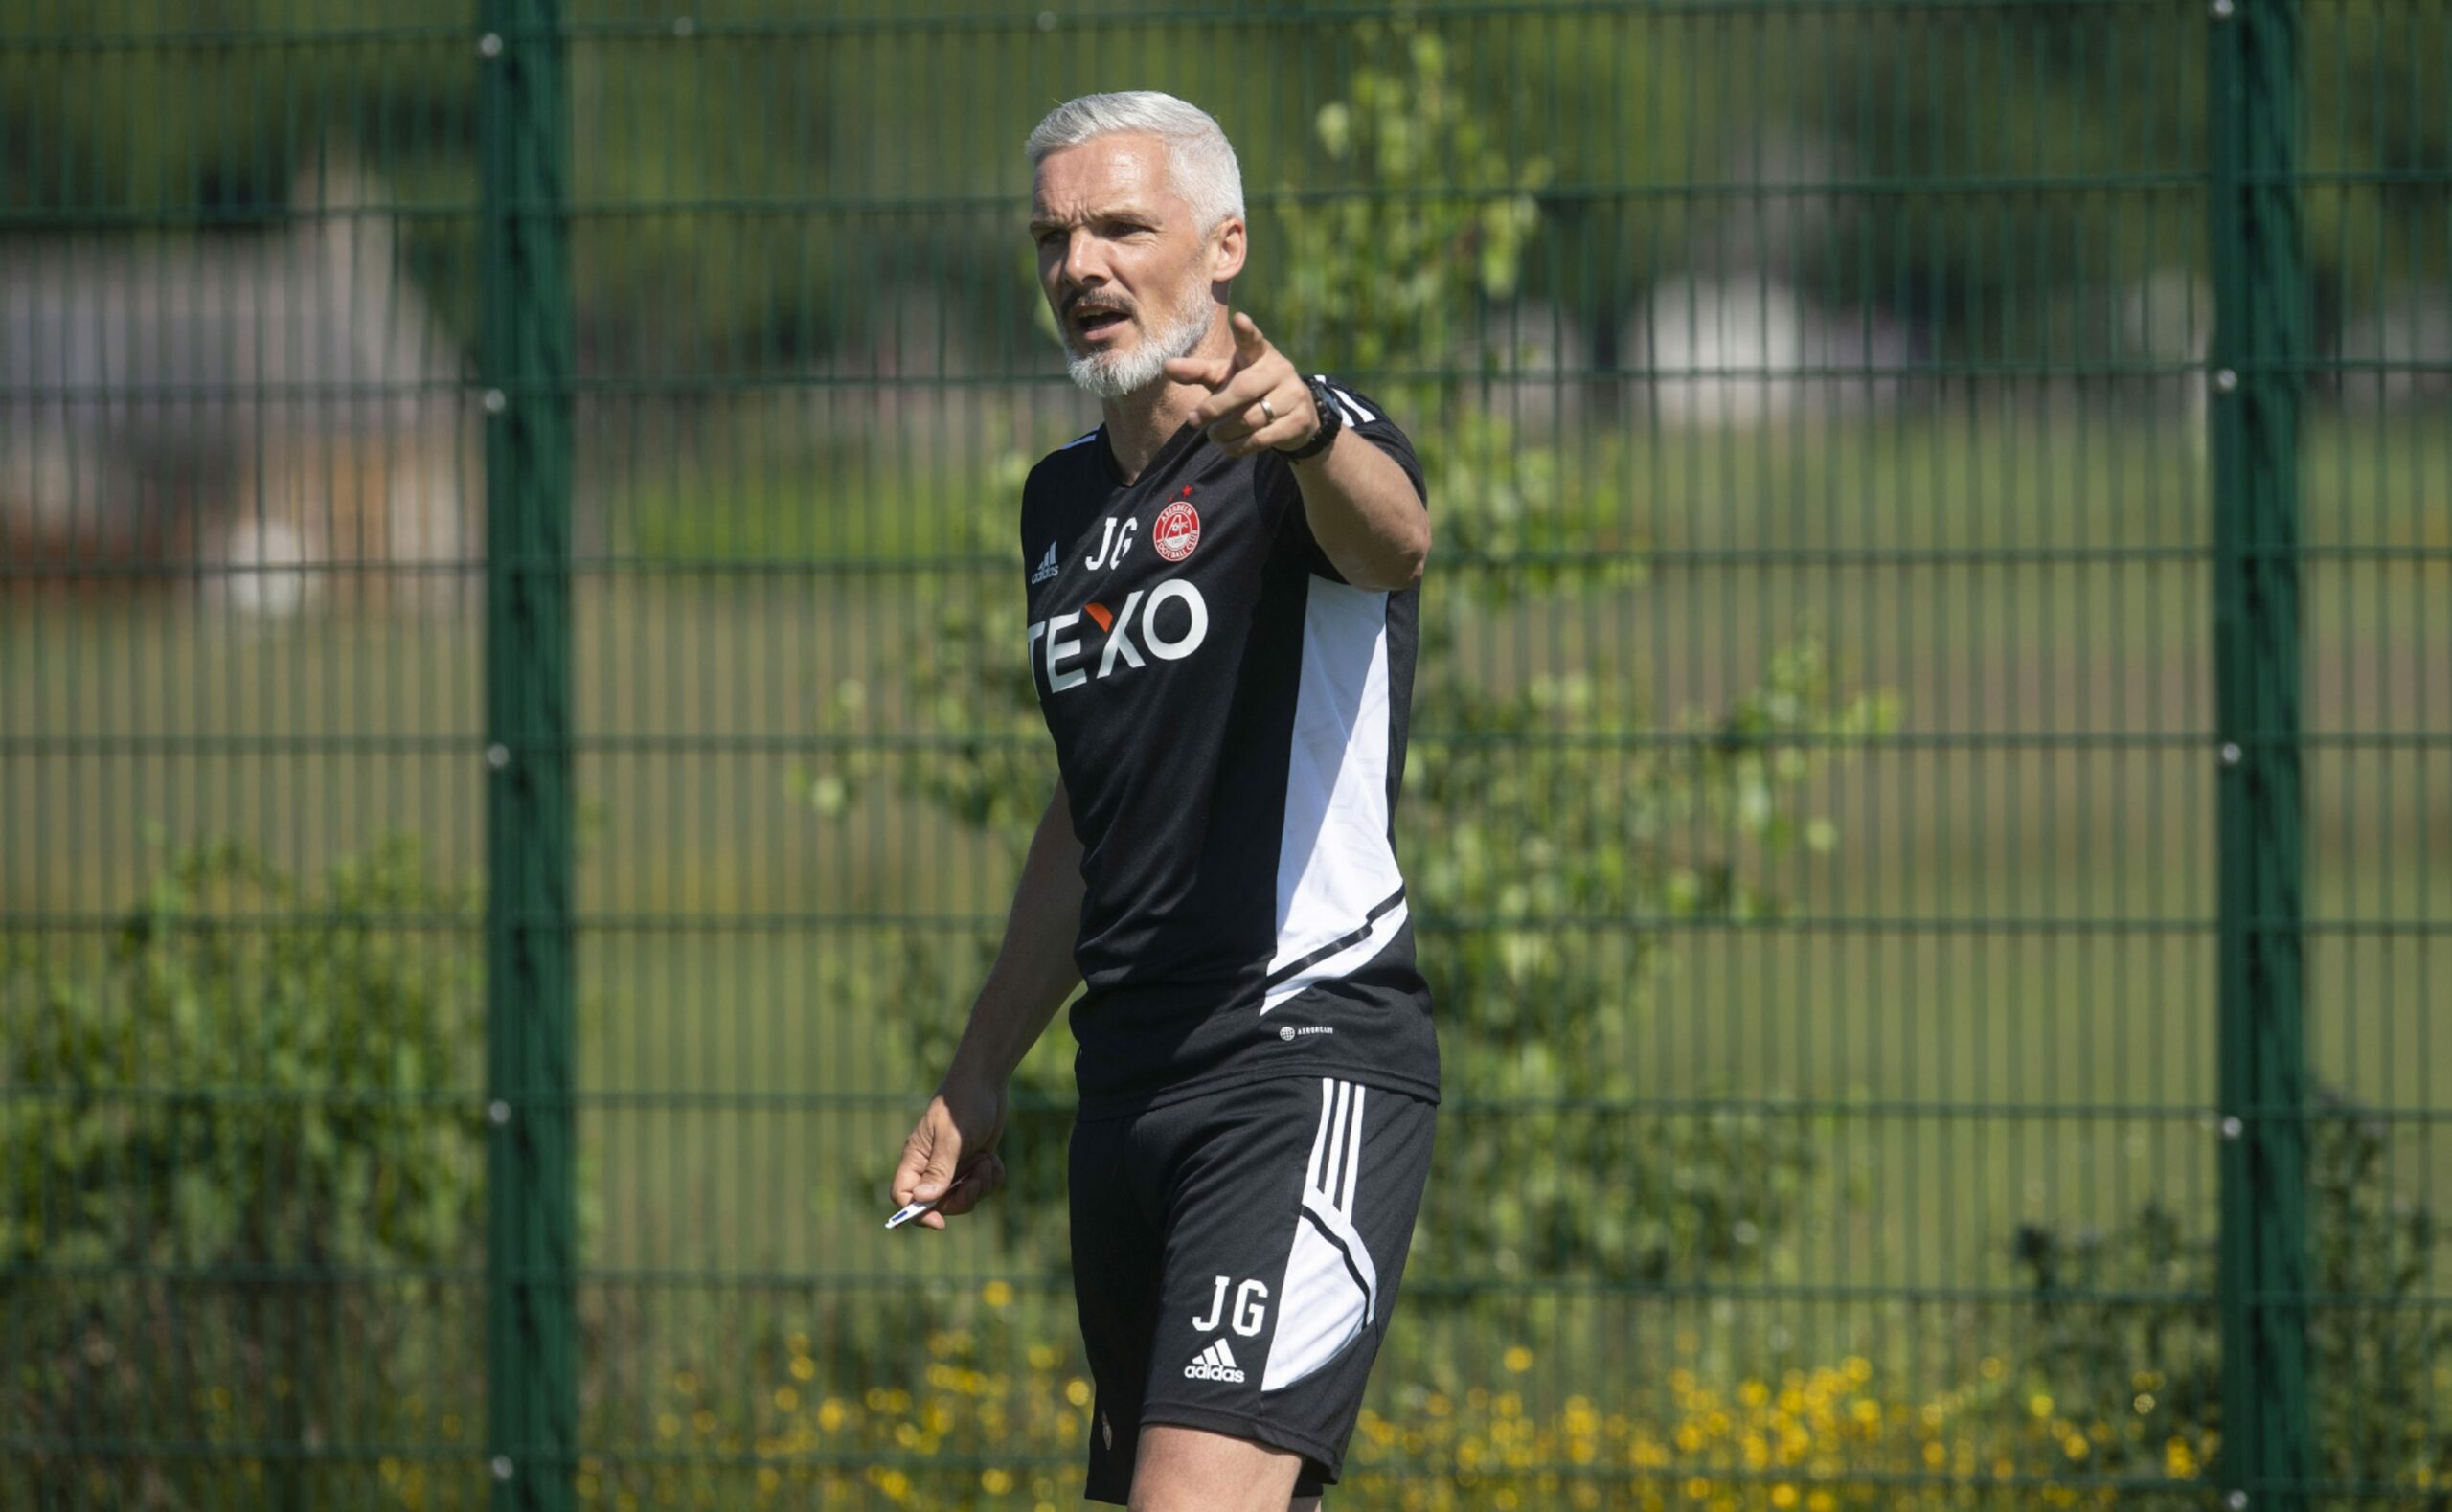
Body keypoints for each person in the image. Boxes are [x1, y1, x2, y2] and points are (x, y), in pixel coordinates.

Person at [888, 90, 1438, 1512]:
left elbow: (1395, 543)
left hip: (1295, 1058)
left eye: (1123, 226)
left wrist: (1313, 436)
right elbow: (1091, 809)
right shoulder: (1058, 504)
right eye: (1053, 237)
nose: (1082, 266)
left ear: (1225, 244)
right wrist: (979, 1066)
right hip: (1126, 1089)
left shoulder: (1302, 443)